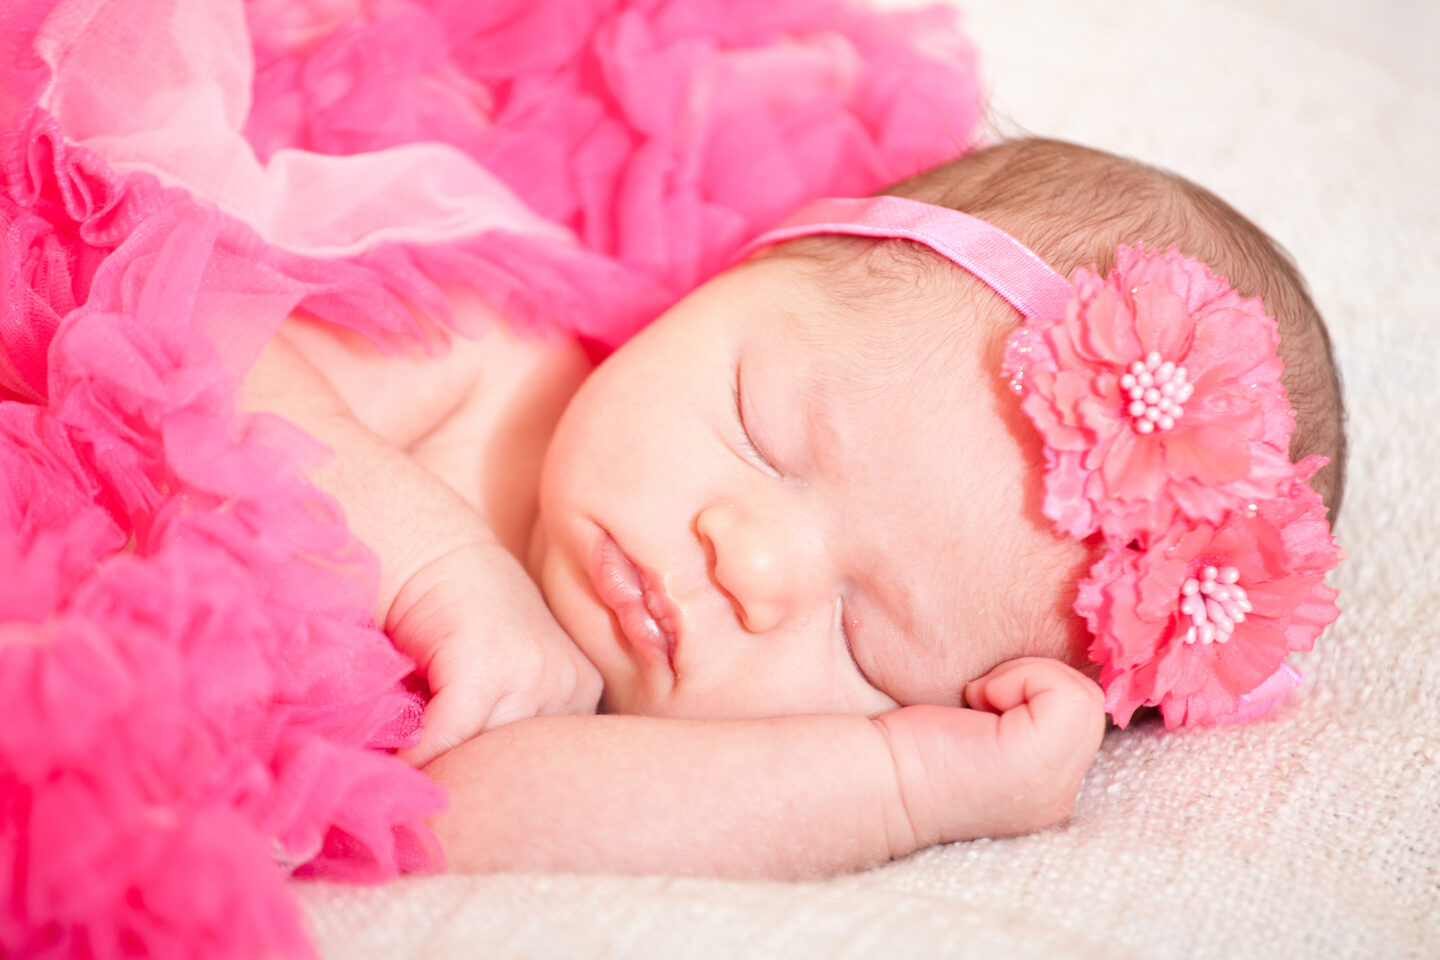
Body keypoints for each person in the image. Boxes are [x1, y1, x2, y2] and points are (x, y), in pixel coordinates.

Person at [241, 136, 1345, 878]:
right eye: (761, 429)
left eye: (863, 641)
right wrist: (443, 566)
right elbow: (184, 354)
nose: (753, 569)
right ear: (730, 278)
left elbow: (459, 821)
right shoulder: (489, 353)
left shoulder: (609, 737)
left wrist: (904, 785)